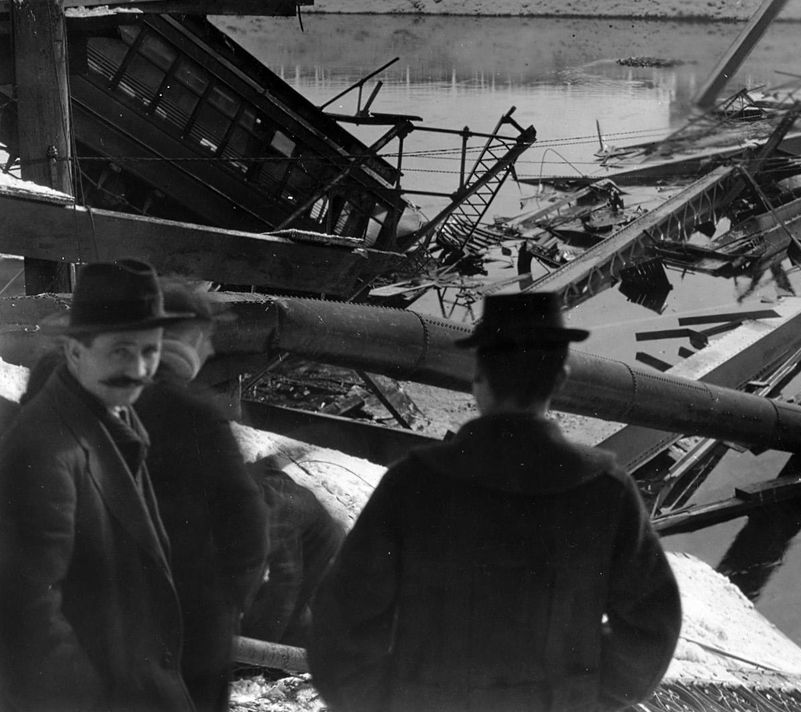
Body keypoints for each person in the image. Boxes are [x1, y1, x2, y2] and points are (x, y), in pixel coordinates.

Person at [309, 292, 682, 712]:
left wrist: (388, 701)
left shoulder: (413, 484)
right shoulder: (606, 493)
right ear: (560, 378)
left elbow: (340, 624)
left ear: (478, 376)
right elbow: (652, 628)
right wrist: (583, 696)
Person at [0, 259, 196, 712]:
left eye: (150, 351)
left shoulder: (112, 416)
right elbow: (25, 618)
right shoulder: (45, 451)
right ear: (73, 352)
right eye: (122, 351)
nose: (141, 369)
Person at [136, 284, 270, 712]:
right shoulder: (196, 412)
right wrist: (227, 605)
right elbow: (248, 528)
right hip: (189, 628)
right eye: (208, 336)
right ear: (190, 337)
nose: (211, 350)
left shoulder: (105, 398)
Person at [241, 454, 345, 649]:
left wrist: (259, 648)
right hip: (301, 522)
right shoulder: (241, 492)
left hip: (322, 549)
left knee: (289, 615)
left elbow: (286, 585)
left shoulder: (275, 515)